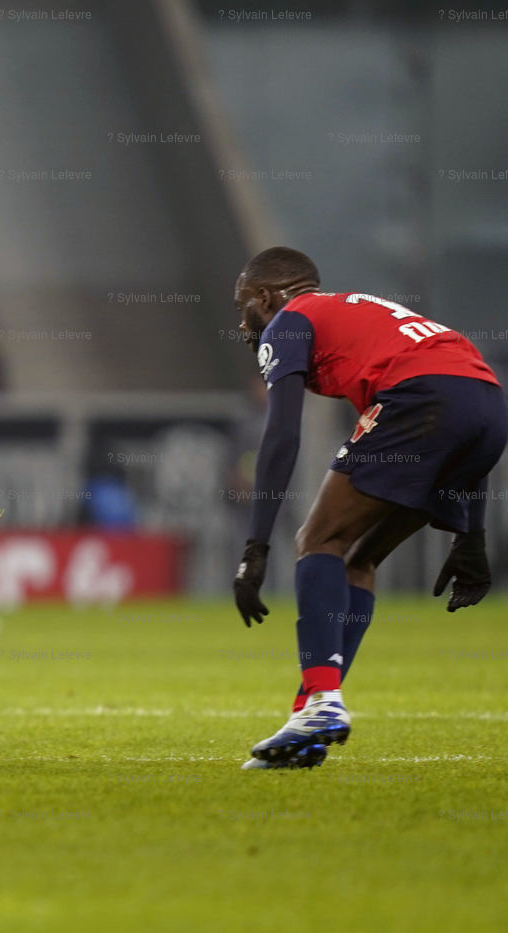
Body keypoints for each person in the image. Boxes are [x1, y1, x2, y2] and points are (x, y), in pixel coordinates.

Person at [231, 246, 506, 770]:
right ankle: (309, 722)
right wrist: (471, 536)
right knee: (358, 557)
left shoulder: (289, 321)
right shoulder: (356, 312)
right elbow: (467, 405)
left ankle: (320, 702)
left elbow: (282, 434)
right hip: (489, 401)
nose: (243, 322)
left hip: (423, 398)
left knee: (318, 540)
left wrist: (255, 546)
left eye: (243, 304)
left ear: (265, 297)